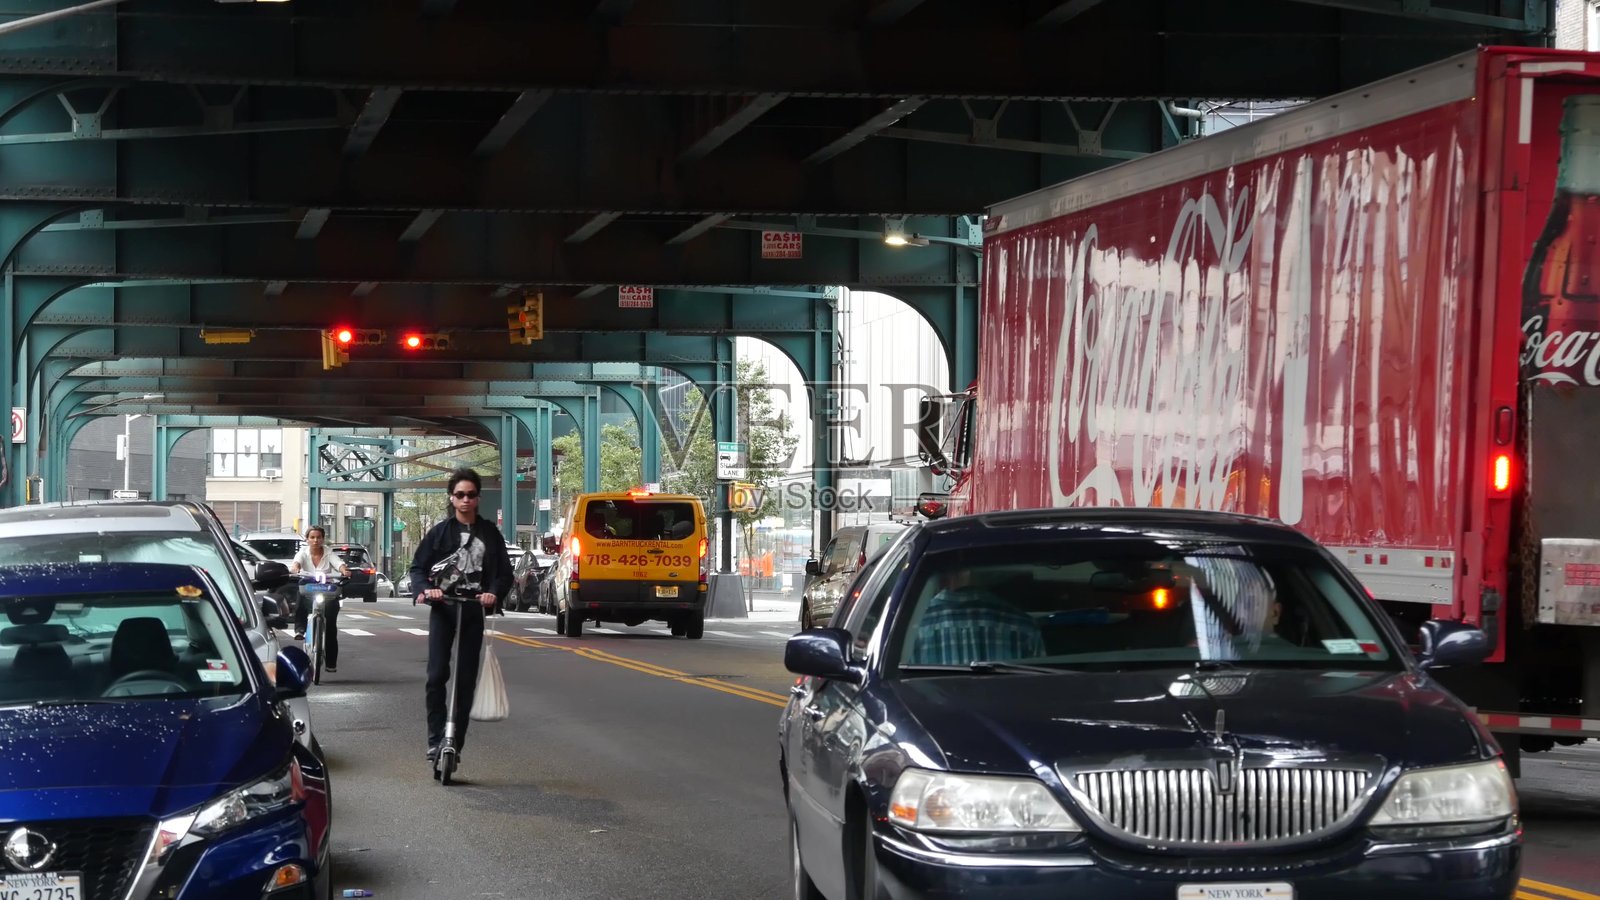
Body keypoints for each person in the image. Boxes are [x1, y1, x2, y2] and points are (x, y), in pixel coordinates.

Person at [408, 468, 514, 766]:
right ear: (451, 498)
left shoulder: (490, 533)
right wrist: (426, 590)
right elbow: (418, 568)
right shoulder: (440, 532)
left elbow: (504, 573)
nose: (465, 500)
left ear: (478, 498)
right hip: (444, 609)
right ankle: (434, 740)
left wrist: (493, 592)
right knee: (436, 675)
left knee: (465, 679)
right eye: (459, 495)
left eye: (470, 495)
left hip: (473, 610)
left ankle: (455, 743)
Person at [290, 526, 351, 672]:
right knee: (300, 597)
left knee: (330, 626)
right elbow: (296, 563)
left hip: (326, 591)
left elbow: (339, 564)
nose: (315, 540)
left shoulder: (329, 552)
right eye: (312, 537)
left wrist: (344, 571)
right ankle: (300, 629)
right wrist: (295, 568)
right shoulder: (303, 553)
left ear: (323, 539)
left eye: (318, 537)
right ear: (307, 539)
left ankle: (331, 663)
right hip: (308, 589)